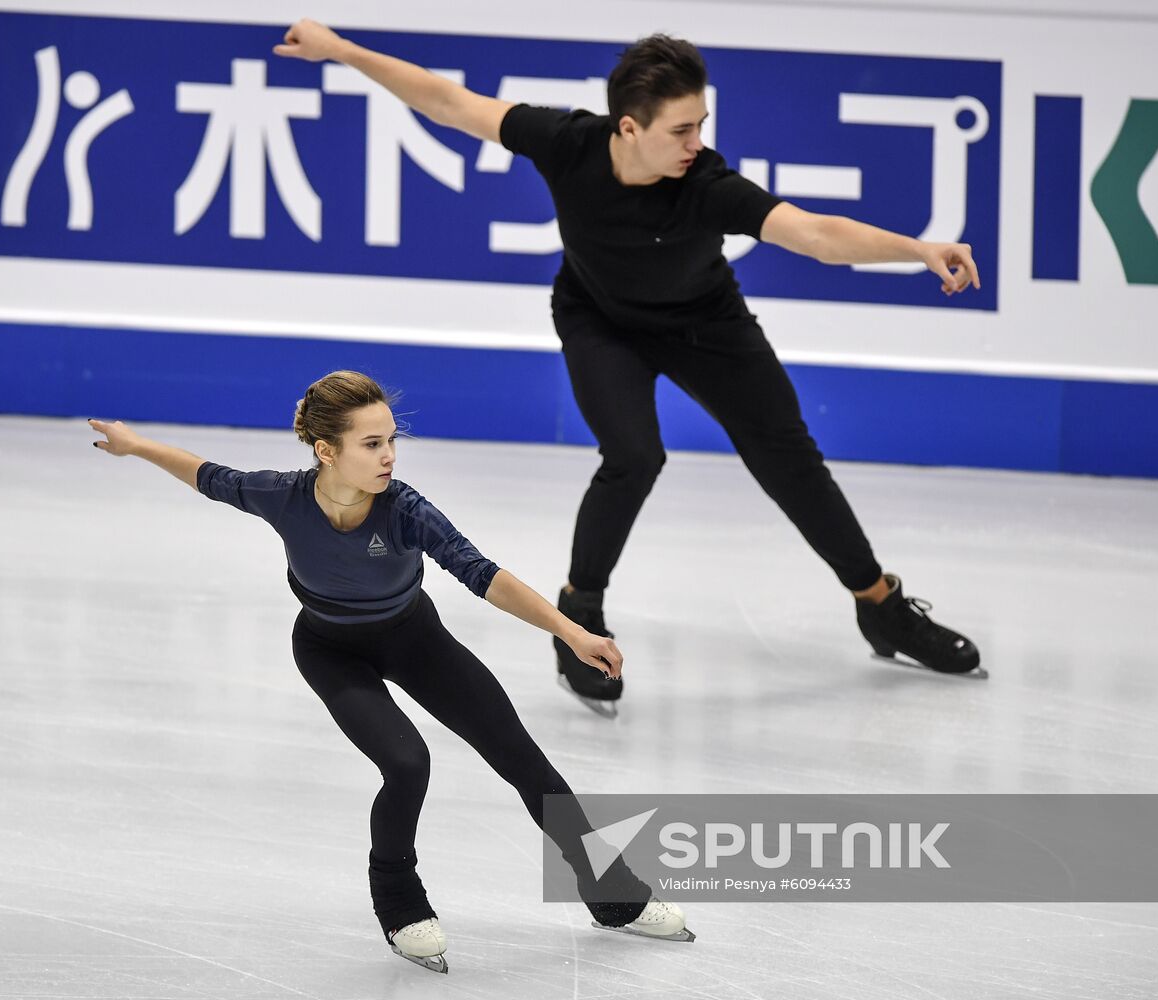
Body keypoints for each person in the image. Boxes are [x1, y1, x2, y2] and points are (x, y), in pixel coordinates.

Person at [274, 23, 984, 717]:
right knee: (633, 455)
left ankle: (879, 605)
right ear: (627, 128)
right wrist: (340, 50)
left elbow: (815, 234)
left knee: (787, 455)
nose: (696, 142)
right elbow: (448, 102)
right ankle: (578, 616)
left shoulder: (706, 185)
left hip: (706, 323)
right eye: (680, 130)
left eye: (699, 124)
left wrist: (915, 249)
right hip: (598, 319)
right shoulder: (568, 143)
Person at [87, 371, 693, 974]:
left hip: (414, 640)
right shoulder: (283, 496)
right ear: (328, 451)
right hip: (331, 651)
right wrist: (135, 445)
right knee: (407, 763)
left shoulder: (404, 509)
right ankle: (400, 902)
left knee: (524, 761)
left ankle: (613, 896)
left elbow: (482, 573)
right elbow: (207, 475)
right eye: (371, 444)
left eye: (391, 440)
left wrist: (572, 631)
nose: (388, 456)